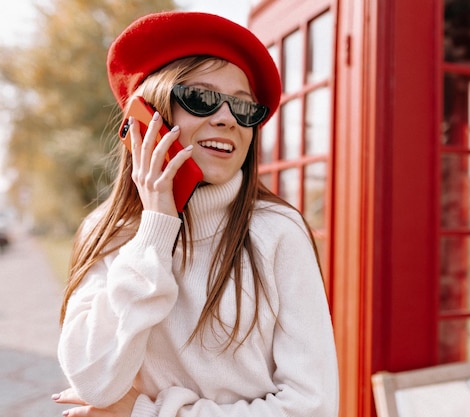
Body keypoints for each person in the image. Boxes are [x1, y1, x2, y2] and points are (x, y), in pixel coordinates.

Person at [52, 10, 339, 417]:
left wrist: (146, 413)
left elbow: (313, 407)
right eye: (202, 98)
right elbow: (95, 381)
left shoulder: (276, 233)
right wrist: (156, 228)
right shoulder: (107, 233)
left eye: (244, 108)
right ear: (146, 118)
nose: (226, 118)